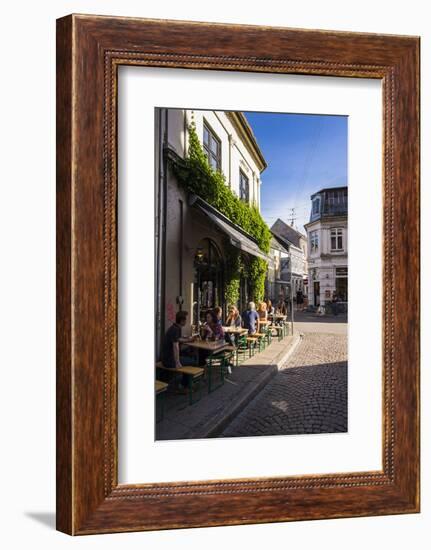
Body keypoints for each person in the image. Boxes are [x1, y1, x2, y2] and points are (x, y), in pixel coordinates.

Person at [160, 311, 195, 386]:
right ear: (182, 321)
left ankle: (185, 383)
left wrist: (188, 340)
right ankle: (184, 385)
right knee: (193, 361)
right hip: (168, 360)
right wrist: (177, 362)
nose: (186, 321)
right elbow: (175, 346)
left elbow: (178, 339)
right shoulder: (175, 330)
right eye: (185, 319)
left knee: (188, 354)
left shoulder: (175, 327)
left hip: (166, 358)